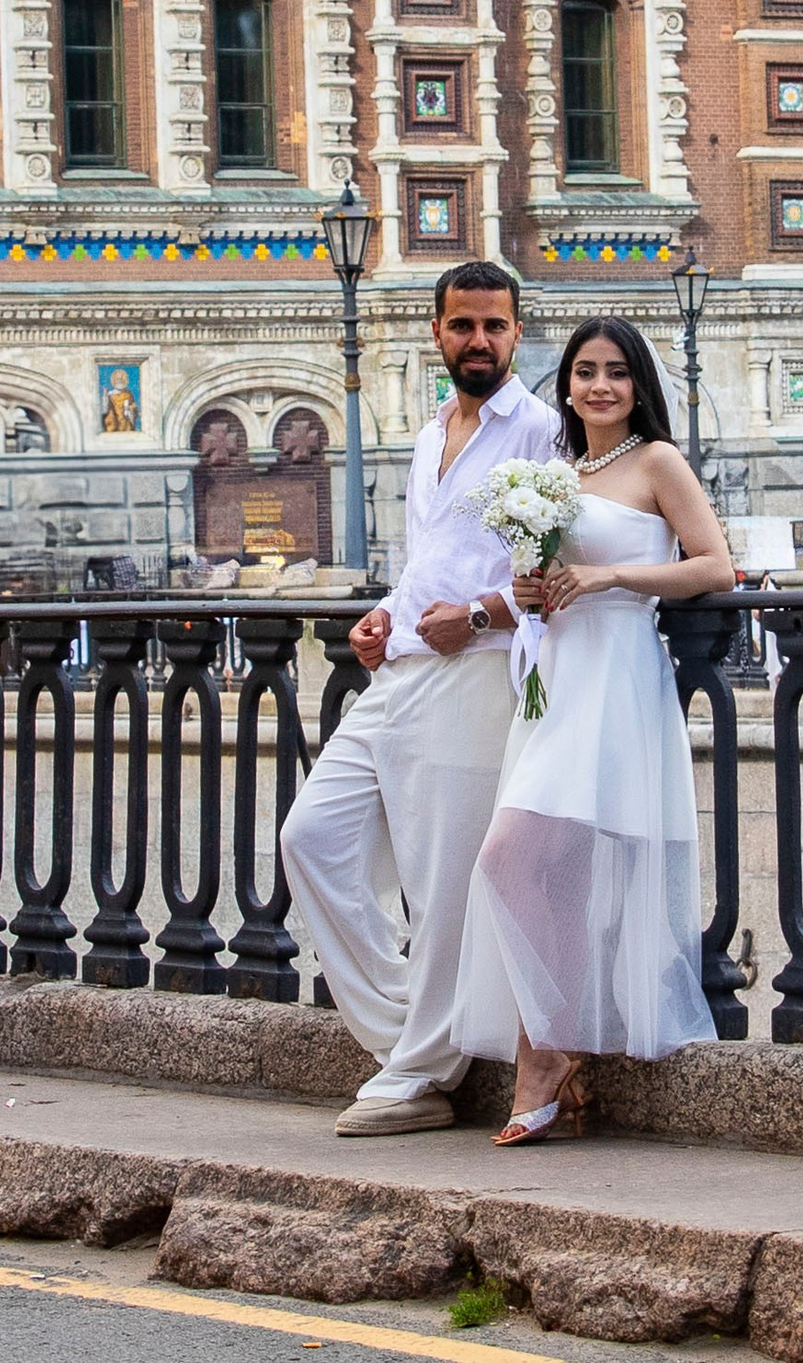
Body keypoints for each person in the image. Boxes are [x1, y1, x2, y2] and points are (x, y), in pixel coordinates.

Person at [279, 258, 561, 1137]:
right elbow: (426, 561)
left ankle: (422, 1071)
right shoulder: (432, 427)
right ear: (436, 331)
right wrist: (383, 614)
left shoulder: (542, 431)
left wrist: (478, 615)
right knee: (312, 837)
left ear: (518, 333)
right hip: (398, 666)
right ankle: (417, 1029)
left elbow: (558, 574)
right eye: (462, 324)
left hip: (476, 669)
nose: (478, 340)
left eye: (495, 326)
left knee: (442, 881)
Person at [453, 316, 734, 1141]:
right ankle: (555, 1044)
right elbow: (531, 581)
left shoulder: (657, 462)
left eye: (615, 371)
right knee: (528, 865)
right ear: (567, 384)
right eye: (584, 371)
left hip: (617, 676)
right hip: (557, 677)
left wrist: (610, 573)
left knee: (531, 859)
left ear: (638, 383)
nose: (599, 385)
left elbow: (715, 563)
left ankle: (543, 1055)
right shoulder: (555, 470)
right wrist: (531, 584)